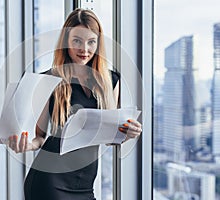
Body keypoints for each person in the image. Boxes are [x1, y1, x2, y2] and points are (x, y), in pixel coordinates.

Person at [8, 8, 142, 200]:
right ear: (66, 42)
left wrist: (128, 134)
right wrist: (28, 145)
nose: (84, 49)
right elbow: (40, 137)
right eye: (77, 41)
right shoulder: (50, 79)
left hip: (85, 185)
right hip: (50, 183)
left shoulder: (110, 80)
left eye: (91, 42)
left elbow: (109, 135)